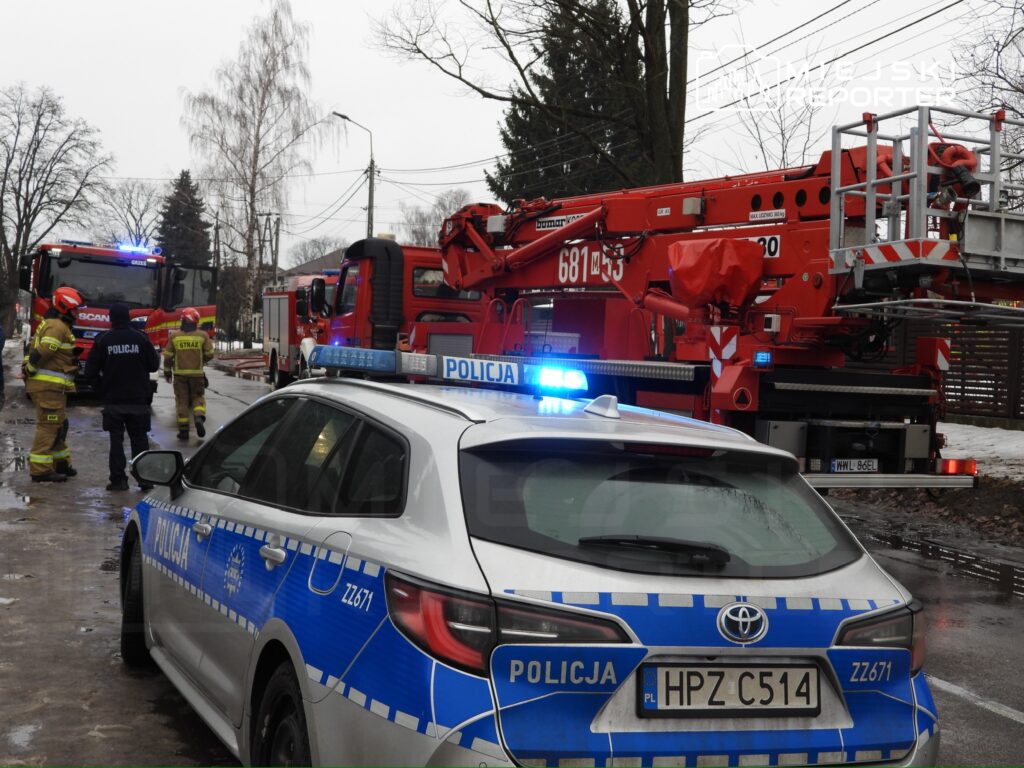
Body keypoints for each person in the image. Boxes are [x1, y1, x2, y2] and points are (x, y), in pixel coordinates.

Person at [84, 302, 161, 491]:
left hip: (114, 401)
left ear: (110, 318)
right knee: (140, 441)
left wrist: (100, 388)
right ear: (128, 318)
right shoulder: (141, 339)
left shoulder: (103, 340)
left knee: (116, 442)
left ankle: (118, 480)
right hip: (138, 400)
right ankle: (144, 480)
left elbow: (90, 372)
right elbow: (153, 365)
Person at [23, 286, 82, 482]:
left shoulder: (54, 324)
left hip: (54, 389)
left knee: (57, 425)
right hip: (49, 388)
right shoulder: (57, 327)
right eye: (75, 309)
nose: (78, 313)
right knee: (48, 427)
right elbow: (45, 350)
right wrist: (29, 369)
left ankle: (61, 463)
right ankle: (40, 470)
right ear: (65, 307)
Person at [163, 307, 214, 440]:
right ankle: (198, 417)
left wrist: (167, 372)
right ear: (196, 321)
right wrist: (201, 360)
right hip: (197, 375)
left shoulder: (175, 336)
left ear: (183, 320)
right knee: (198, 397)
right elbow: (210, 354)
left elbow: (168, 356)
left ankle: (184, 431)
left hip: (180, 377)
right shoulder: (202, 335)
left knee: (182, 401)